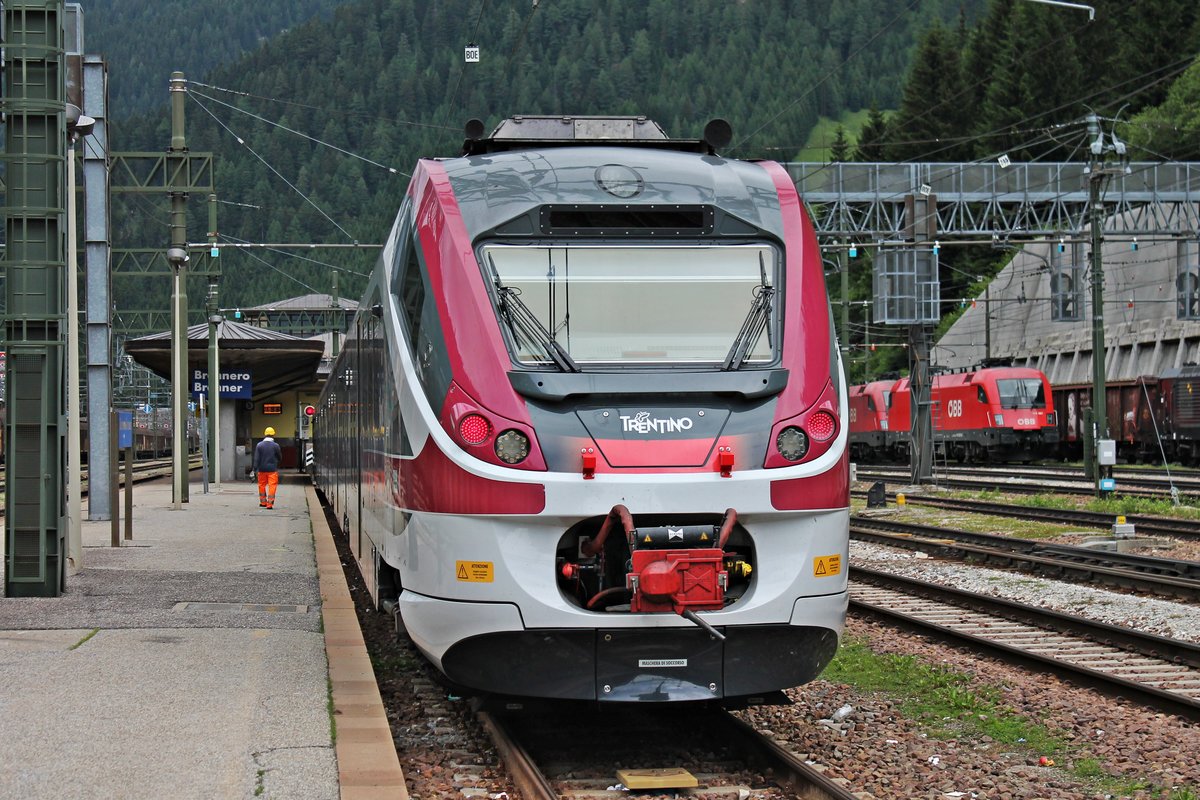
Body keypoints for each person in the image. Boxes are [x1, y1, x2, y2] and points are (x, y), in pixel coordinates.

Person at [254, 427, 283, 509]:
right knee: (272, 486)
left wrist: (254, 469)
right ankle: (269, 504)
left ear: (265, 434)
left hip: (262, 469)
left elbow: (256, 458)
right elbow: (279, 457)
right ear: (273, 435)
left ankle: (263, 502)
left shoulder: (259, 445)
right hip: (272, 470)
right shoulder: (276, 445)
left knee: (261, 485)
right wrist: (278, 462)